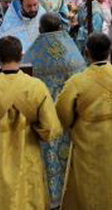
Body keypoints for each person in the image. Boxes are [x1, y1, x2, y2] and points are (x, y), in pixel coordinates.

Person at [0, 36, 62, 210]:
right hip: (29, 156)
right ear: (21, 55)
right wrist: (34, 127)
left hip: (0, 159)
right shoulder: (36, 87)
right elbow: (51, 129)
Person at [56, 32, 112, 210]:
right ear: (109, 51)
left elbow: (63, 115)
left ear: (87, 52)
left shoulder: (76, 83)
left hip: (90, 149)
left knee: (90, 188)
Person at [24, 12, 86, 207]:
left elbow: (26, 80)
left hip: (46, 117)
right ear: (61, 27)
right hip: (70, 117)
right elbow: (83, 76)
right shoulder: (71, 48)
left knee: (49, 154)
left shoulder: (34, 52)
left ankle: (51, 196)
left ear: (40, 29)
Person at [0, 0, 46, 64]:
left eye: (35, 5)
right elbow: (1, 48)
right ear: (21, 4)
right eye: (29, 6)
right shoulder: (11, 21)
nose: (33, 9)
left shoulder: (43, 16)